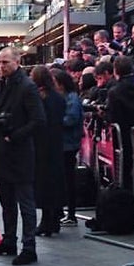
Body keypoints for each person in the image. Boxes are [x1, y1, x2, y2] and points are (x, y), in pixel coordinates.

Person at [0, 46, 45, 265]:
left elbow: (39, 120)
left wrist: (14, 136)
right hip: (1, 153)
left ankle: (29, 247)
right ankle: (9, 240)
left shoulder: (27, 87)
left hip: (18, 153)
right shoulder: (2, 83)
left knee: (25, 203)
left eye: (6, 62)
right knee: (6, 202)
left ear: (17, 61)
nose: (1, 66)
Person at [105, 56, 134, 190]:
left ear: (116, 71)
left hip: (123, 134)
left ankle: (127, 192)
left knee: (125, 166)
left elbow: (112, 115)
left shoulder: (114, 92)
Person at [31, 65, 65, 237]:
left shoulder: (40, 98)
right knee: (55, 183)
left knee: (44, 185)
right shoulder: (58, 98)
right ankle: (55, 220)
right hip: (57, 144)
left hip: (43, 145)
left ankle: (46, 221)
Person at [53, 67, 84, 227]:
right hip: (62, 143)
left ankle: (70, 213)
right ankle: (61, 210)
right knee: (61, 179)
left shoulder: (72, 98)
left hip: (69, 144)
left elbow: (71, 119)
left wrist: (55, 121)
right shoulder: (64, 97)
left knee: (68, 179)